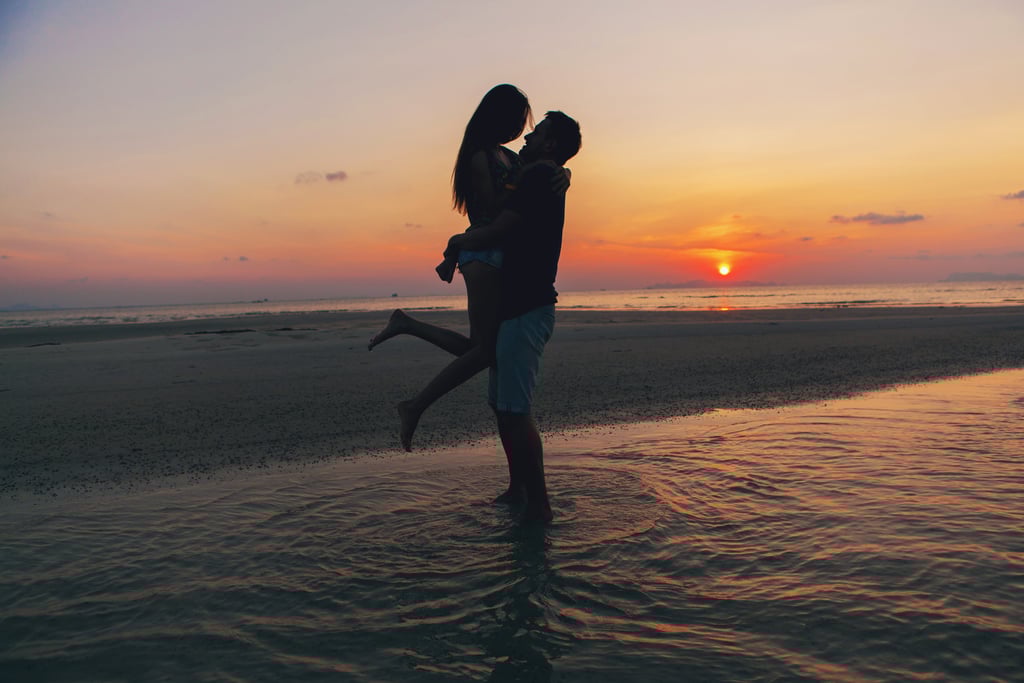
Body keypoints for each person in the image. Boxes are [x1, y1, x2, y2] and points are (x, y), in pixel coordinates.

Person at [372, 111, 582, 522]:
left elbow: (501, 226)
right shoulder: (532, 169)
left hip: (529, 305)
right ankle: (519, 489)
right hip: (516, 305)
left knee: (515, 410)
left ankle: (539, 506)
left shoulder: (539, 175)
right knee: (503, 405)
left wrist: (457, 242)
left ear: (551, 144)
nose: (527, 134)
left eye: (537, 131)